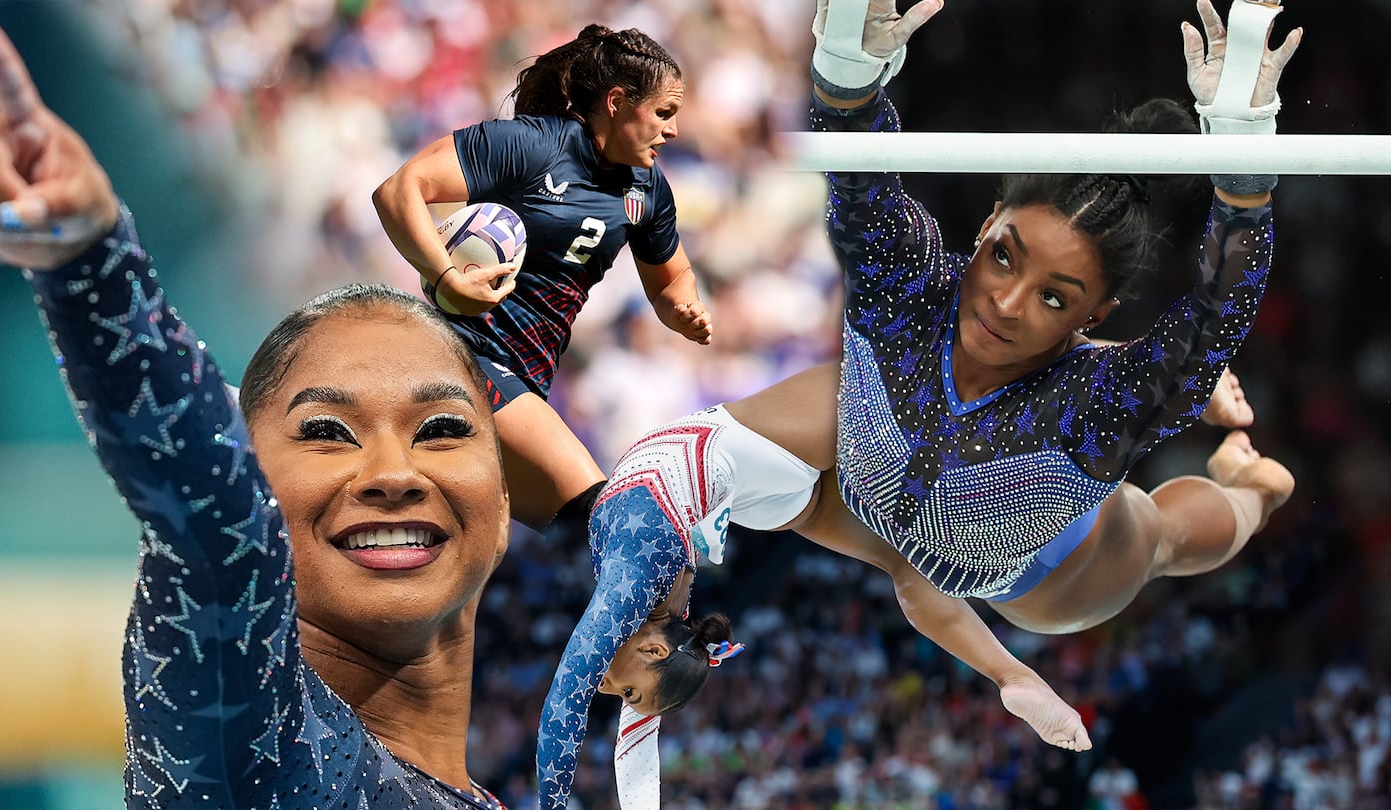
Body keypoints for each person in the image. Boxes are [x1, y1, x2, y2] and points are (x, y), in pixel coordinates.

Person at [535, 0, 1301, 804]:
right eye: (1003, 257)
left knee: (1168, 537)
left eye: (1053, 297)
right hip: (917, 513)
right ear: (987, 225)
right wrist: (847, 80)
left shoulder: (1095, 401)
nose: (1006, 303)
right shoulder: (910, 299)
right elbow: (860, 183)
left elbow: (1217, 318)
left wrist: (1243, 178)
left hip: (1049, 562)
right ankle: (1237, 465)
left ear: (1092, 318)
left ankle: (1255, 488)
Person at [0, 10, 511, 808]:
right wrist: (89, 264)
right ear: (261, 485)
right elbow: (222, 533)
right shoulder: (258, 751)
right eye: (325, 431)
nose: (391, 471)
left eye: (442, 428)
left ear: (498, 508)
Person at [372, 24, 713, 548]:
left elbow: (674, 278)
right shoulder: (534, 146)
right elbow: (399, 189)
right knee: (610, 524)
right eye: (664, 113)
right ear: (619, 101)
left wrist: (682, 310)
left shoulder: (648, 190)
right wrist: (446, 278)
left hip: (529, 382)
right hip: (459, 357)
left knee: (546, 552)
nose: (672, 131)